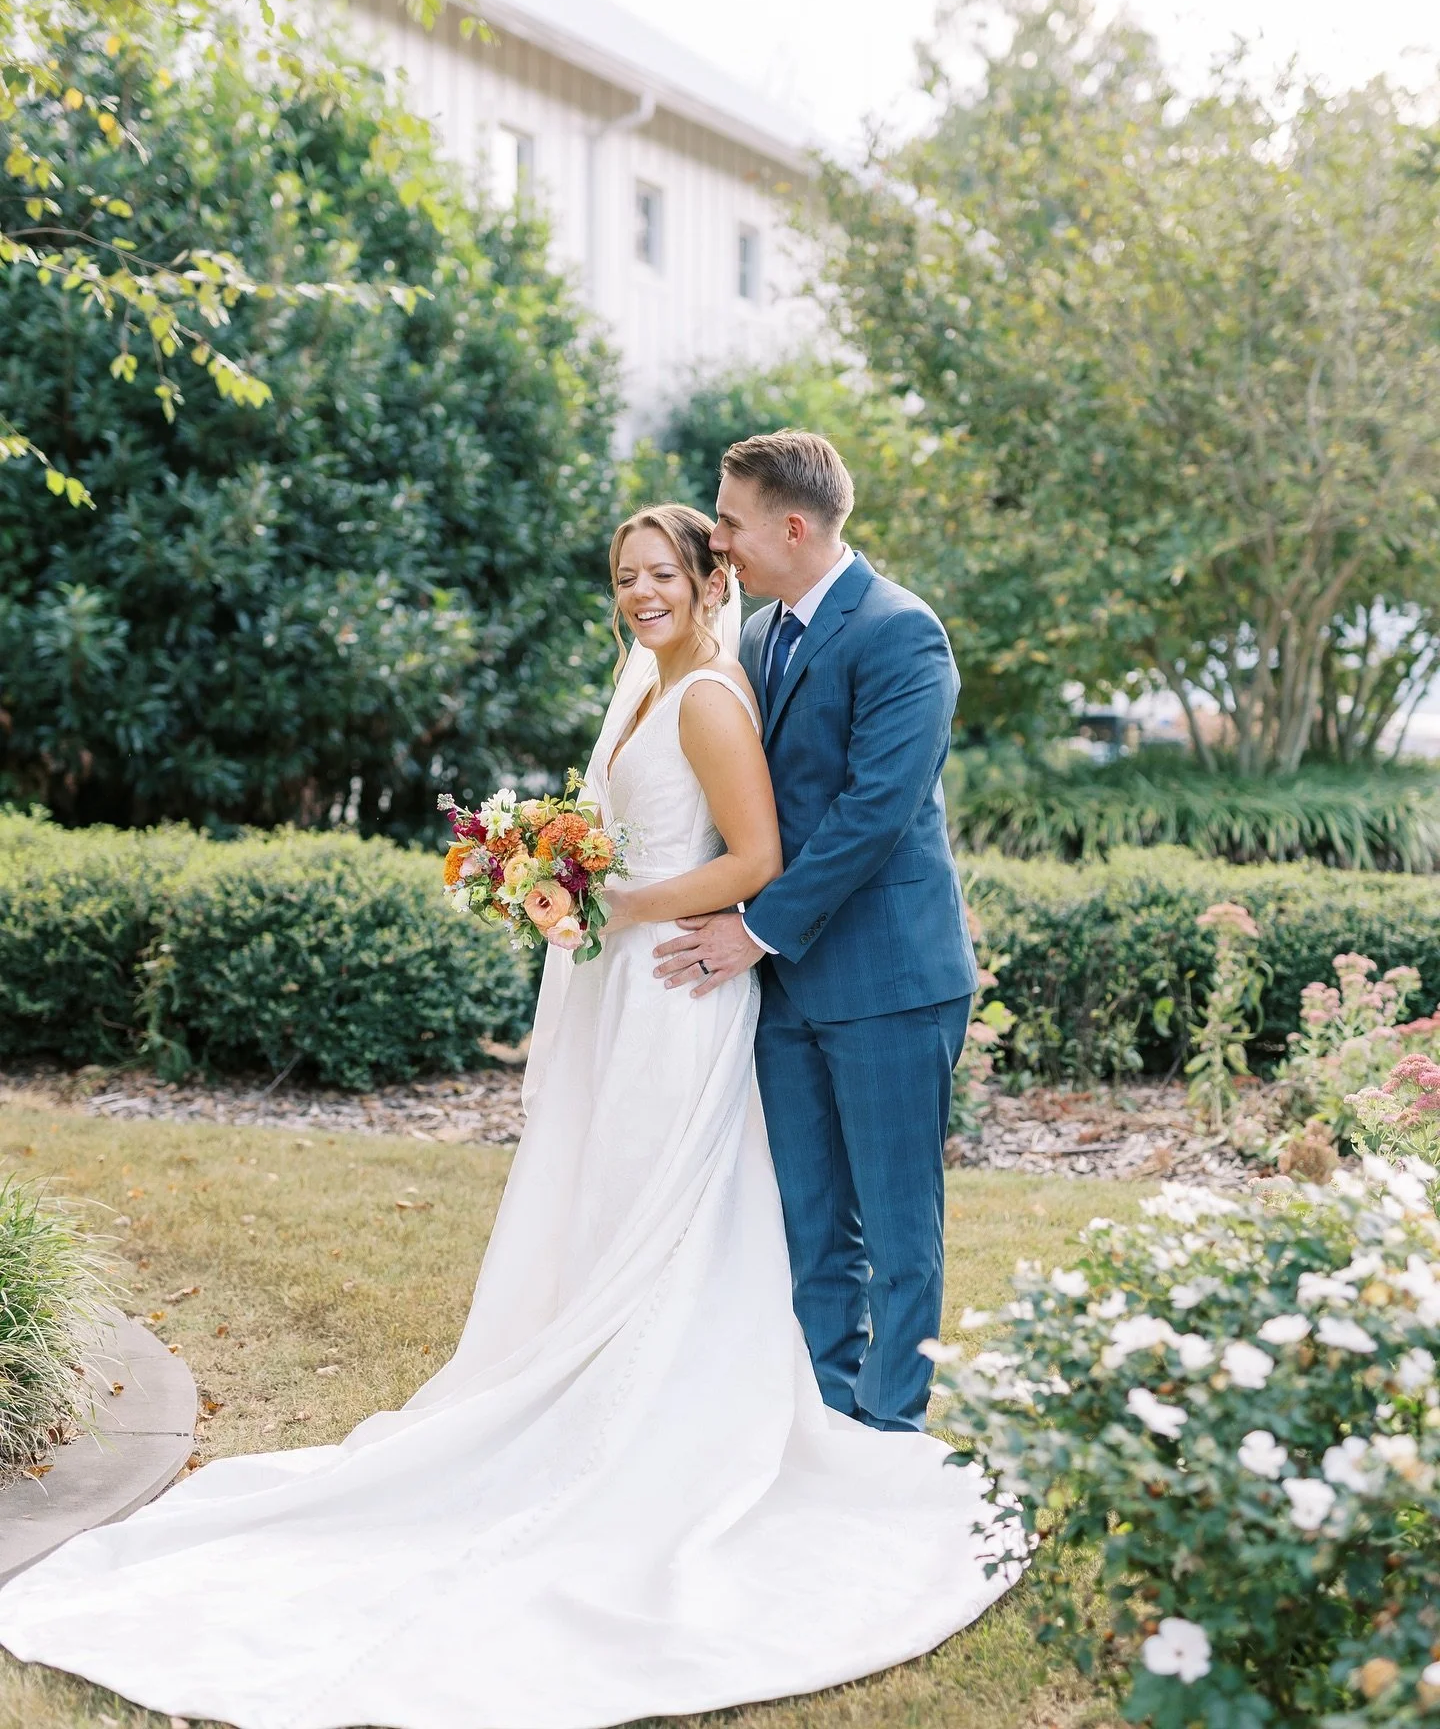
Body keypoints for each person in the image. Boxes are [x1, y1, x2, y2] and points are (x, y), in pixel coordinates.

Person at [0, 499, 1016, 1729]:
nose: (640, 592)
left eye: (663, 572)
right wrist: (552, 871)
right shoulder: (656, 678)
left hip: (682, 990)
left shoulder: (712, 692)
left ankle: (798, 1431)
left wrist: (608, 899)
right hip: (636, 990)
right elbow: (631, 827)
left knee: (709, 1212)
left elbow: (755, 857)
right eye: (624, 575)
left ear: (711, 576)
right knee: (625, 1204)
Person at [654, 434, 977, 1434]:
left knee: (898, 1227)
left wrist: (757, 929)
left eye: (732, 521)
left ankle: (889, 1433)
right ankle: (829, 1415)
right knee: (811, 1221)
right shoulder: (759, 639)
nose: (718, 538)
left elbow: (875, 812)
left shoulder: (902, 633)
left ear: (793, 526)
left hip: (888, 980)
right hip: (788, 991)